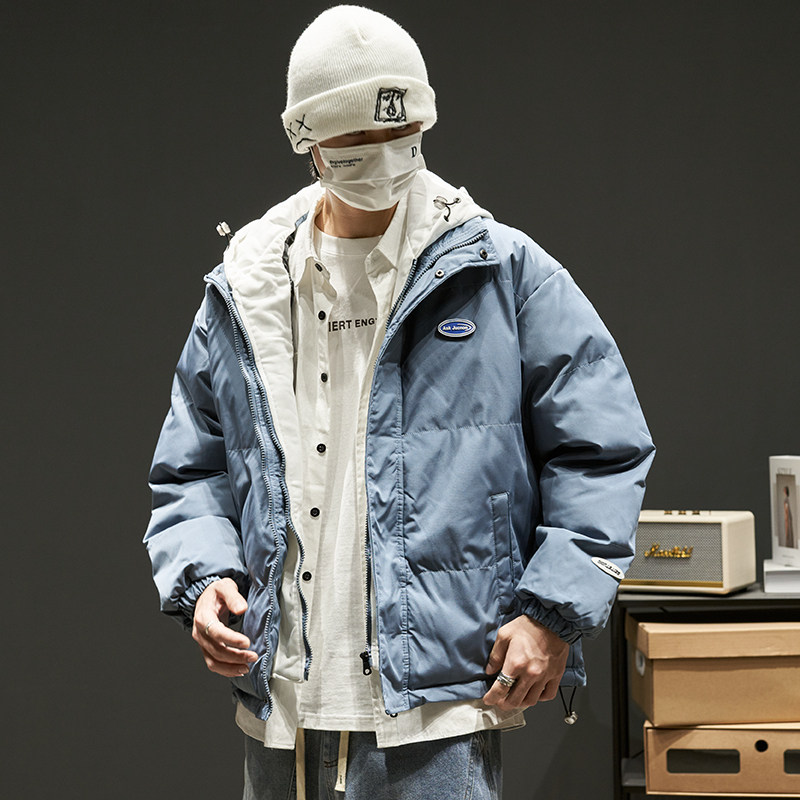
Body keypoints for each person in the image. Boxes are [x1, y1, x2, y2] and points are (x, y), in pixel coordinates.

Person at [143, 6, 655, 798]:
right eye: (359, 141)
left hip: (438, 718)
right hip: (281, 710)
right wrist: (204, 576)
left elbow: (604, 450)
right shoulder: (248, 288)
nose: (385, 158)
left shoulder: (502, 272)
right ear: (308, 139)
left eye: (403, 134)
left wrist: (552, 613)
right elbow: (193, 465)